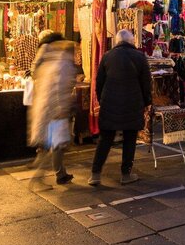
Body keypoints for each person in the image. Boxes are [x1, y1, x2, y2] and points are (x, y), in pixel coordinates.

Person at [89, 30, 151, 186]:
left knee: (105, 139)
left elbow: (99, 82)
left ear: (117, 41)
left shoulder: (107, 56)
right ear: (131, 41)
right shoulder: (139, 56)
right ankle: (125, 174)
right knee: (130, 140)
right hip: (133, 102)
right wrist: (146, 102)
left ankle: (95, 174)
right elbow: (146, 83)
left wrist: (102, 100)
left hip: (110, 102)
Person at [27, 32, 78, 187]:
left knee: (55, 145)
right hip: (55, 110)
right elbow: (60, 89)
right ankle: (39, 177)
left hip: (45, 108)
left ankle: (60, 173)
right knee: (55, 144)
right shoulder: (63, 64)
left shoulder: (49, 61)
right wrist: (62, 109)